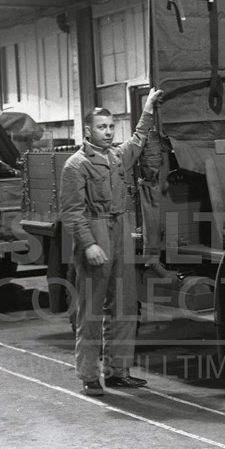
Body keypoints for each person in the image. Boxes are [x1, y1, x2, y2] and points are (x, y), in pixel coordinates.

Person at [60, 88, 162, 396]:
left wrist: (147, 110)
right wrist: (89, 244)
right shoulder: (76, 165)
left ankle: (118, 371)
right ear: (88, 130)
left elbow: (139, 139)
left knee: (125, 306)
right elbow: (72, 212)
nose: (108, 132)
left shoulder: (117, 156)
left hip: (121, 229)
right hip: (96, 230)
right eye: (102, 127)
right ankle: (89, 375)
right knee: (91, 310)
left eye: (111, 127)